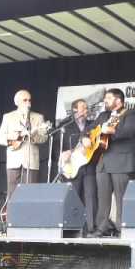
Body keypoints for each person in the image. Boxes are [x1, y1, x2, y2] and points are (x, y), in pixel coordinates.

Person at [86, 88, 135, 238]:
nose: (105, 100)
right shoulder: (103, 115)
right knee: (102, 197)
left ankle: (122, 228)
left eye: (108, 98)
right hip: (103, 161)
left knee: (121, 197)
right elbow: (90, 129)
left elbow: (130, 131)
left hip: (121, 160)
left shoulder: (130, 113)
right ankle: (102, 228)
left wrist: (112, 131)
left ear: (118, 100)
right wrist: (85, 137)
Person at [0, 89, 48, 200]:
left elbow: (44, 137)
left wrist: (33, 136)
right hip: (14, 161)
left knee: (30, 195)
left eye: (29, 100)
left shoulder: (38, 117)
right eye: (25, 100)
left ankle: (29, 217)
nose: (28, 103)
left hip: (31, 161)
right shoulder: (8, 117)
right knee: (13, 195)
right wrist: (12, 139)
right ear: (17, 102)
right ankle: (12, 217)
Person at [60, 99, 98, 234]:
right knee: (73, 196)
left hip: (89, 165)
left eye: (87, 108)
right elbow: (58, 149)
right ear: (75, 110)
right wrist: (65, 153)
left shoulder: (93, 124)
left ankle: (91, 228)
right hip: (72, 166)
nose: (86, 111)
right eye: (83, 108)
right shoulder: (65, 127)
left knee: (91, 196)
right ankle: (72, 227)